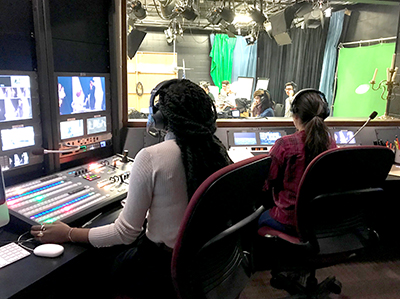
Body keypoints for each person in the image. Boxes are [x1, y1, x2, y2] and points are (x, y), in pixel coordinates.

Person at [30, 79, 232, 298]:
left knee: (97, 267)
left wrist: (69, 233)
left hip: (163, 269)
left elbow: (124, 233)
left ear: (160, 118)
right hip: (208, 263)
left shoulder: (152, 157)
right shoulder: (217, 152)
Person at [258, 89, 337, 234]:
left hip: (290, 219)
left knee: (255, 219)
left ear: (295, 115)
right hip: (320, 218)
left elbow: (267, 184)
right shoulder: (331, 143)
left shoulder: (284, 144)